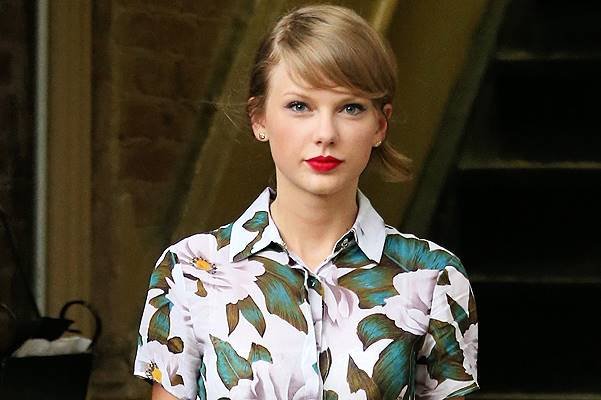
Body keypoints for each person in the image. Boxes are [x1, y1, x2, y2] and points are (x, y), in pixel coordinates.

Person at [133, 4, 478, 400]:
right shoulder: (189, 271)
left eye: (351, 108)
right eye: (300, 106)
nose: (325, 133)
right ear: (259, 119)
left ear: (380, 125)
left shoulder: (435, 277)